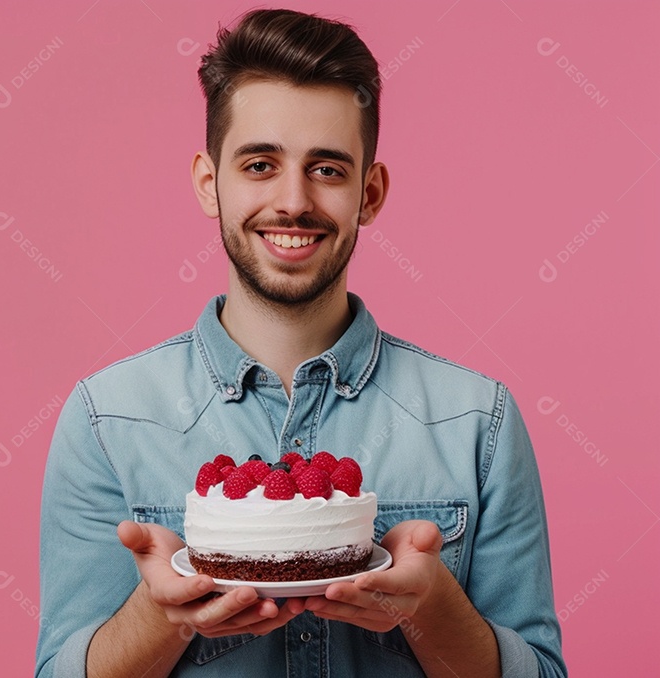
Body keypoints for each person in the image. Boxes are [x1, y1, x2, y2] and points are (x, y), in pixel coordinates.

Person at [34, 8, 566, 677]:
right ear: (209, 182)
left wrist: (430, 608)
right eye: (259, 164)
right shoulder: (106, 420)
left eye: (328, 170)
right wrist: (158, 615)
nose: (293, 201)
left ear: (369, 193)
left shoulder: (477, 423)